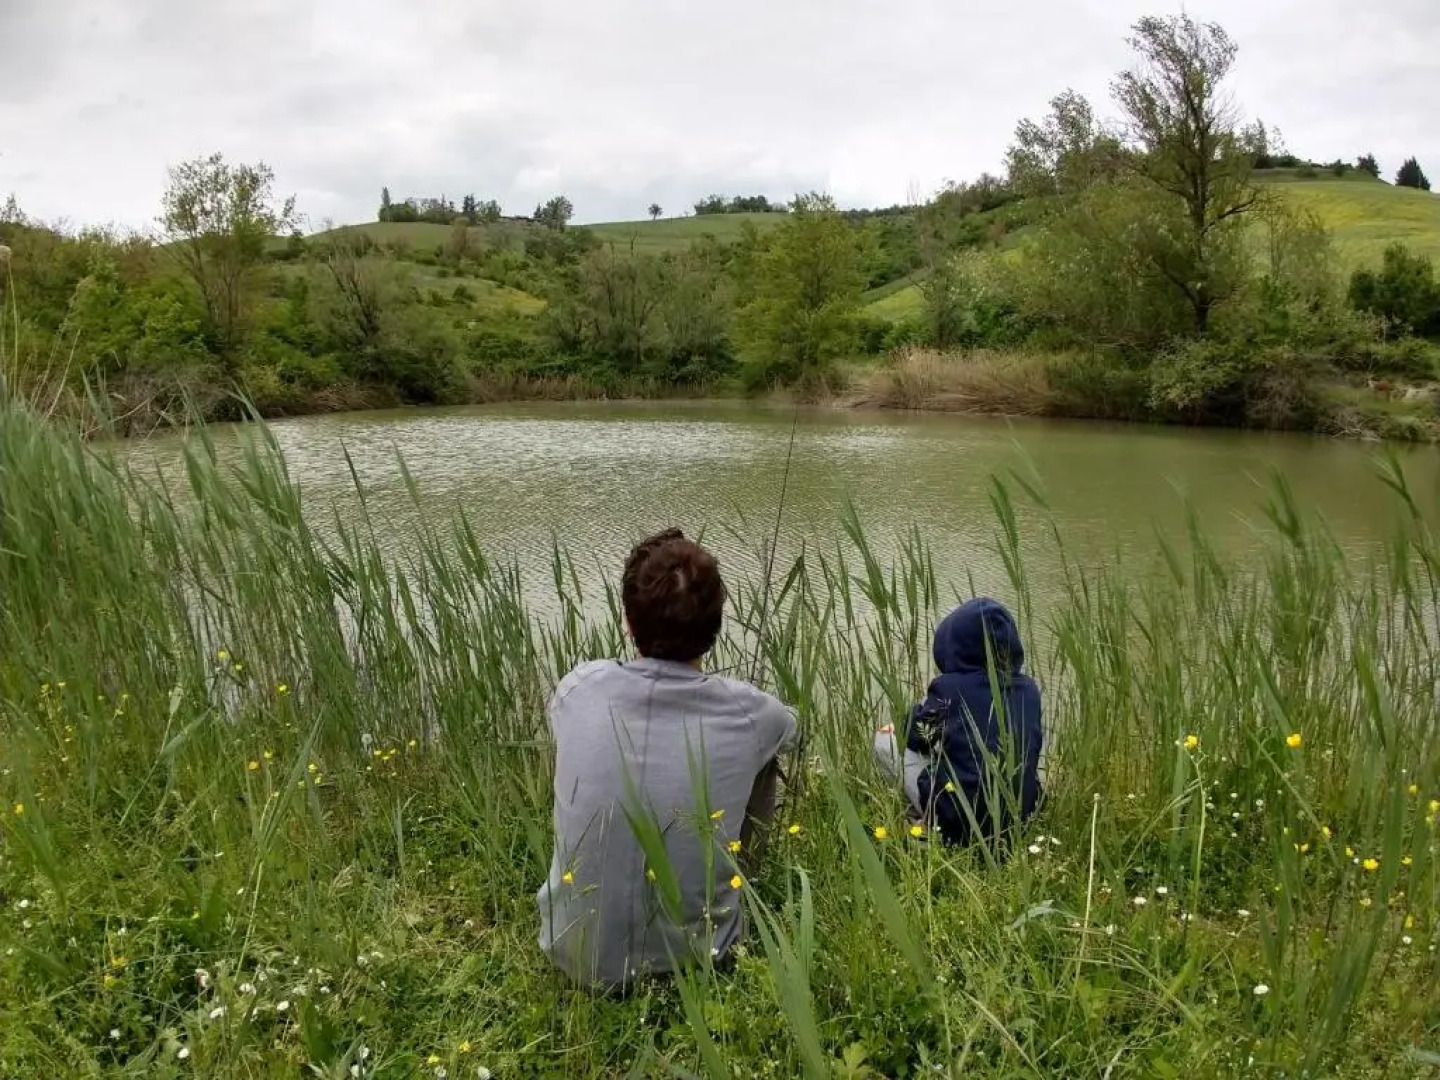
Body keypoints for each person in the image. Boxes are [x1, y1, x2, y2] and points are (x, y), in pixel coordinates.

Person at [537, 529, 798, 990]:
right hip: (700, 964)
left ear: (628, 622)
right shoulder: (751, 712)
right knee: (765, 759)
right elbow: (792, 730)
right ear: (716, 627)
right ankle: (739, 884)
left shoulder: (579, 687)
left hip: (576, 952)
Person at [874, 597, 1042, 849]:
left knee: (885, 740)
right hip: (1018, 814)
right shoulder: (1030, 690)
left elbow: (915, 737)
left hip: (958, 817)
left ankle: (925, 823)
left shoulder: (949, 689)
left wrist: (916, 712)